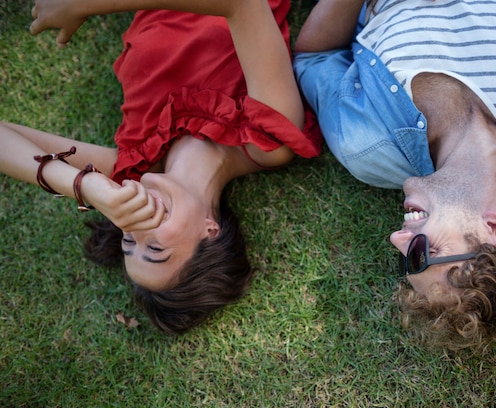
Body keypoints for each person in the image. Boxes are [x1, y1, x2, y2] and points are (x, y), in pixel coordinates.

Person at [294, 0, 496, 346]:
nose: (396, 238)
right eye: (423, 253)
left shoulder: (365, 144)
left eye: (408, 261)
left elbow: (314, 60)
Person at [0, 0, 321, 334]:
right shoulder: (267, 141)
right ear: (210, 232)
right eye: (154, 248)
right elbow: (241, 5)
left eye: (128, 243)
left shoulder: (133, 162)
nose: (135, 227)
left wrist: (86, 186)